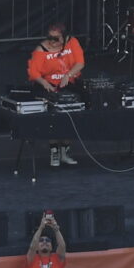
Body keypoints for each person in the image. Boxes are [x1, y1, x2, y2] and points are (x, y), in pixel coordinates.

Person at [28, 23, 86, 168]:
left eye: (56, 38)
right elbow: (34, 72)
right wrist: (43, 82)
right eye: (50, 38)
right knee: (53, 116)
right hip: (49, 85)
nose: (52, 41)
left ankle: (64, 152)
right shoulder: (41, 49)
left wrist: (68, 75)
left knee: (70, 114)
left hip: (69, 84)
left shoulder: (72, 43)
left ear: (65, 38)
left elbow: (80, 63)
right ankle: (54, 151)